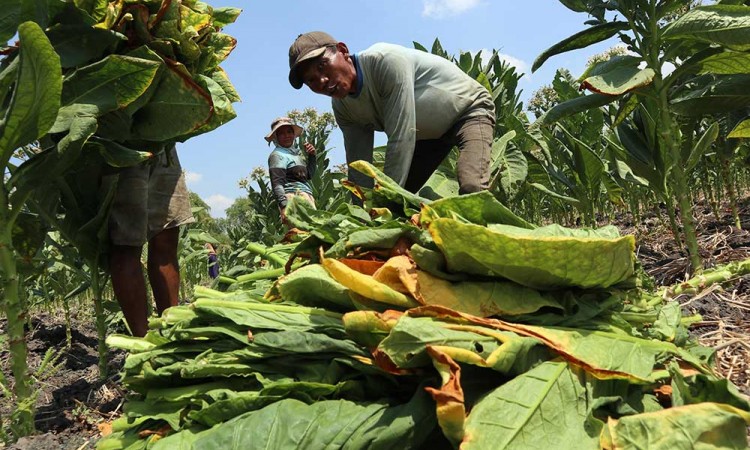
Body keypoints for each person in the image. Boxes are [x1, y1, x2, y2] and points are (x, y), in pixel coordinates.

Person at [287, 31, 496, 195]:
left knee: (472, 187)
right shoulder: (343, 108)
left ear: (343, 50)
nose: (321, 81)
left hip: (468, 112)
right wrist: (359, 219)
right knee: (398, 203)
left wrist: (383, 199)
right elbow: (359, 167)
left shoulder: (384, 61)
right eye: (311, 80)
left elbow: (402, 136)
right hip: (426, 138)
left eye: (323, 66)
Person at [107, 144, 194, 337]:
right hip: (122, 139)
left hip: (164, 144)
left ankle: (170, 332)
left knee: (167, 233)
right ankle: (144, 341)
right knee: (126, 242)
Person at [265, 117, 317, 224]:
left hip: (306, 196)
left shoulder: (295, 154)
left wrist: (312, 156)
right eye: (282, 133)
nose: (287, 136)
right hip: (292, 198)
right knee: (300, 233)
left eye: (289, 132)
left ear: (294, 135)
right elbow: (277, 183)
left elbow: (308, 176)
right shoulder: (277, 155)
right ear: (276, 137)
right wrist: (284, 206)